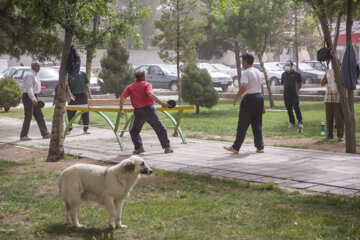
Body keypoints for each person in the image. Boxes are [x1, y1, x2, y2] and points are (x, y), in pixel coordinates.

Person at [119, 69, 173, 154]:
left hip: (138, 112)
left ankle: (139, 147)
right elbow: (149, 94)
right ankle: (167, 147)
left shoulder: (130, 87)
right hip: (150, 110)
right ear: (144, 77)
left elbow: (122, 98)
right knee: (160, 129)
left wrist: (121, 110)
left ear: (136, 77)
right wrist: (162, 103)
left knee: (133, 131)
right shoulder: (147, 84)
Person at [224, 53, 264, 154]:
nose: (241, 63)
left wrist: (236, 98)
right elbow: (262, 87)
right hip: (259, 97)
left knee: (242, 124)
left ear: (245, 61)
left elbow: (244, 86)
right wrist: (262, 103)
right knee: (257, 124)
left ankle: (236, 147)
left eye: (242, 61)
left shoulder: (245, 72)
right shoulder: (258, 72)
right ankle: (260, 147)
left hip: (249, 99)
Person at [20, 61, 51, 140]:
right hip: (28, 97)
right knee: (28, 116)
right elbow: (29, 88)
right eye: (37, 66)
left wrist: (35, 97)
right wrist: (33, 98)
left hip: (35, 96)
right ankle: (23, 135)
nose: (39, 68)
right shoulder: (30, 75)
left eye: (39, 66)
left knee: (39, 116)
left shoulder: (36, 75)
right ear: (33, 67)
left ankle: (45, 133)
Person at [321, 59, 344, 141]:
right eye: (333, 64)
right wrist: (326, 75)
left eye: (336, 64)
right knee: (329, 118)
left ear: (340, 64)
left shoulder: (342, 73)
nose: (334, 65)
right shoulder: (329, 72)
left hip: (338, 99)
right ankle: (329, 134)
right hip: (328, 99)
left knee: (339, 118)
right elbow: (322, 83)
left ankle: (340, 136)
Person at [66, 70, 92, 134]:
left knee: (85, 113)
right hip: (73, 96)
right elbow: (67, 86)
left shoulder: (82, 74)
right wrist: (70, 94)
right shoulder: (69, 74)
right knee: (70, 113)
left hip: (82, 96)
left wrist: (89, 94)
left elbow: (86, 84)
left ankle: (85, 129)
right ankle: (69, 129)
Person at [281, 60, 303, 132]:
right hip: (286, 95)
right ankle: (292, 122)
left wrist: (297, 90)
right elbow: (283, 83)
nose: (287, 67)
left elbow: (300, 84)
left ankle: (300, 121)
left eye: (288, 65)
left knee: (296, 109)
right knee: (289, 109)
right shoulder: (283, 74)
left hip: (294, 95)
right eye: (286, 65)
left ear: (291, 66)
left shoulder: (297, 74)